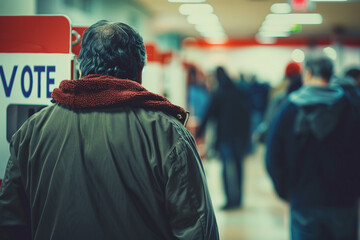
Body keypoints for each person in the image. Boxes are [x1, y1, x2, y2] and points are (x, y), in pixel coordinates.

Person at [0, 20, 219, 240]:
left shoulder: (30, 133)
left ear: (80, 67)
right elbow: (199, 230)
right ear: (140, 72)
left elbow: (10, 224)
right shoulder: (168, 135)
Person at [266, 57, 360, 240]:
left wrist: (285, 191)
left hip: (303, 200)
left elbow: (273, 157)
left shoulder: (289, 110)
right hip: (344, 200)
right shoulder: (351, 108)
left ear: (307, 74)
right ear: (330, 75)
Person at [196, 66, 252, 210]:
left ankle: (229, 200)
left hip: (225, 136)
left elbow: (208, 113)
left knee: (227, 167)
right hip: (239, 135)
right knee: (239, 166)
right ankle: (238, 199)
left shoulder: (219, 93)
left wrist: (199, 132)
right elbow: (247, 115)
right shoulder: (239, 92)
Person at [254, 61, 302, 143]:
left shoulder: (279, 99)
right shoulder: (306, 99)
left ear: (286, 77)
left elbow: (268, 121)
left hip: (281, 142)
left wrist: (259, 133)